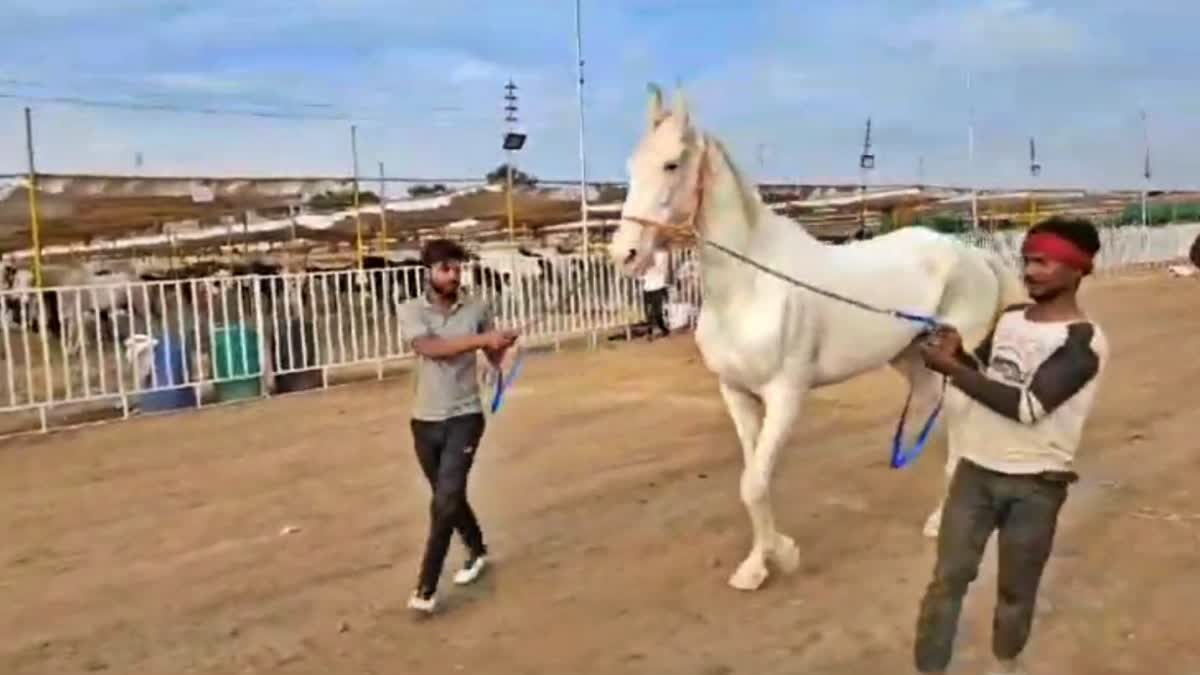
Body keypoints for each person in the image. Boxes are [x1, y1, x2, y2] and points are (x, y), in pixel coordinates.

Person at [912, 216, 1108, 674]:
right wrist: (960, 354)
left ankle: (1006, 666)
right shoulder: (1011, 318)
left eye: (1045, 262)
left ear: (1078, 269)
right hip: (974, 473)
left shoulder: (1084, 342)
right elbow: (991, 376)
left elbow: (1027, 406)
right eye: (1027, 260)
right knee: (947, 581)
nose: (1031, 271)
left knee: (1016, 592)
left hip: (1036, 487)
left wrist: (950, 368)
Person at [398, 238, 519, 614]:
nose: (453, 275)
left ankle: (426, 586)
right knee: (447, 496)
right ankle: (478, 549)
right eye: (445, 269)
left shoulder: (478, 307)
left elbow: (494, 358)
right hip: (424, 418)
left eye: (457, 268)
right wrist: (482, 338)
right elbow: (430, 349)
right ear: (429, 272)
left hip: (465, 416)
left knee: (445, 500)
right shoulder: (410, 310)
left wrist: (501, 344)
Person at [640, 243, 672, 339]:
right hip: (648, 289)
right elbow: (641, 276)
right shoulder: (647, 263)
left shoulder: (660, 259)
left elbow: (662, 268)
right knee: (649, 312)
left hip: (657, 288)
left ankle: (663, 329)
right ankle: (651, 332)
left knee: (656, 312)